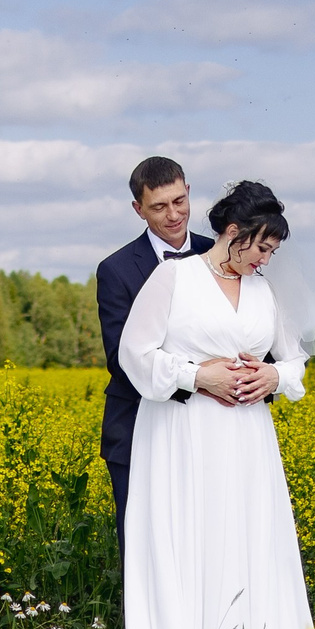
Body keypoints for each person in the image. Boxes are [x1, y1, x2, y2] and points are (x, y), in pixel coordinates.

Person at [116, 180, 315, 629]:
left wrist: (273, 374)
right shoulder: (174, 277)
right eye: (261, 248)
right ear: (232, 233)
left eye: (273, 253)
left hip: (247, 437)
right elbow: (134, 353)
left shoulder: (265, 291)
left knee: (246, 539)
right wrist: (198, 377)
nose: (266, 260)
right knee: (191, 537)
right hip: (182, 432)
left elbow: (293, 362)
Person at [95, 157, 211, 548]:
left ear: (189, 191)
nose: (174, 215)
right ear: (138, 209)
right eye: (159, 207)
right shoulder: (115, 269)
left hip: (212, 427)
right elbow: (120, 358)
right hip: (137, 428)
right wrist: (203, 380)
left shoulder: (221, 256)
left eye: (179, 201)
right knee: (145, 545)